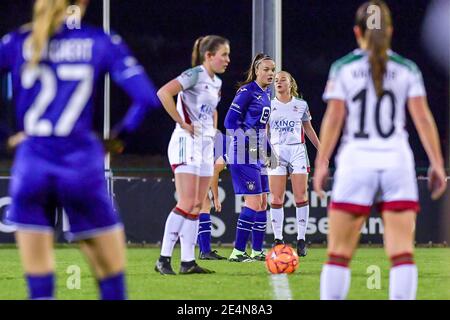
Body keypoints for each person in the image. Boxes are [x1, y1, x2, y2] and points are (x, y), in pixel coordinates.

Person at [0, 0, 160, 300]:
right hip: (80, 164)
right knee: (112, 285)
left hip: (31, 162)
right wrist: (117, 139)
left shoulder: (17, 41)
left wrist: (8, 137)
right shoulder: (98, 40)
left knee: (40, 290)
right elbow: (147, 99)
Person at [314, 0, 447, 300]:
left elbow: (334, 118)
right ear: (389, 31)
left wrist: (322, 163)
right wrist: (437, 163)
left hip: (356, 161)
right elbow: (423, 118)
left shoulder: (343, 68)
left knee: (338, 254)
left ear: (357, 31)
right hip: (396, 162)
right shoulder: (406, 69)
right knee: (401, 253)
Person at [155, 35, 230, 274]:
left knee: (198, 204)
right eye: (224, 54)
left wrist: (214, 131)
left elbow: (213, 110)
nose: (228, 59)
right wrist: (182, 123)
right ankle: (163, 258)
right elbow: (164, 93)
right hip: (186, 143)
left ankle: (188, 262)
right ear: (209, 56)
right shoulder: (194, 74)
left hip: (205, 146)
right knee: (186, 202)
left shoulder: (216, 82)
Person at [224, 53, 276, 262]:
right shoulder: (247, 91)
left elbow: (260, 129)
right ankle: (237, 252)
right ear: (256, 71)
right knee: (253, 203)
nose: (270, 73)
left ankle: (256, 250)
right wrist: (247, 142)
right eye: (266, 69)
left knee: (263, 202)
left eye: (273, 69)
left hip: (258, 153)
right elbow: (230, 121)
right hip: (243, 153)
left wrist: (270, 153)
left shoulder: (265, 94)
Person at [268, 71, 321, 257]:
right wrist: (262, 153)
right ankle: (278, 239)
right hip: (276, 151)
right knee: (276, 198)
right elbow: (263, 131)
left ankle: (301, 239)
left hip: (297, 150)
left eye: (282, 79)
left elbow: (308, 128)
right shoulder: (268, 105)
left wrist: (321, 150)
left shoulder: (300, 105)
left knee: (301, 195)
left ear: (291, 83)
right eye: (276, 80)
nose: (278, 82)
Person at [197, 131, 228, 260]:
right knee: (204, 206)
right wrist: (216, 198)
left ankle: (204, 250)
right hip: (195, 166)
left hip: (191, 163)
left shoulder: (226, 141)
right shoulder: (233, 148)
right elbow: (214, 171)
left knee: (202, 207)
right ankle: (205, 251)